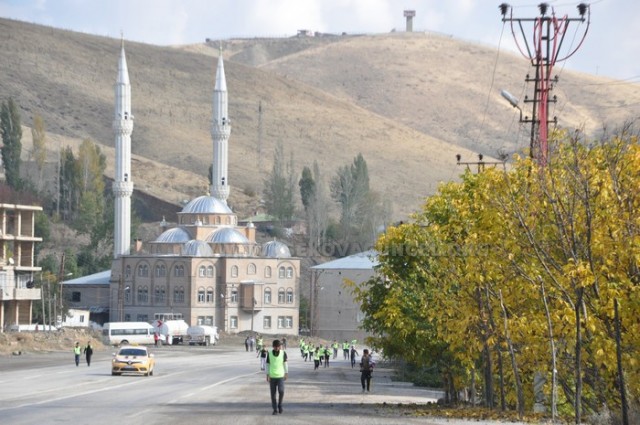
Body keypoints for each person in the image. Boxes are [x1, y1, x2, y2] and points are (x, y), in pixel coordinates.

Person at [266, 339, 288, 415]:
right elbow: (267, 365)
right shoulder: (269, 353)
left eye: (279, 346)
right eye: (276, 347)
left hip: (280, 376)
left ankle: (280, 405)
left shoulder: (283, 353)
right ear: (273, 346)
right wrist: (267, 374)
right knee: (273, 394)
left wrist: (286, 373)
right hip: (272, 376)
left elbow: (285, 364)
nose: (278, 348)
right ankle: (275, 409)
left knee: (281, 391)